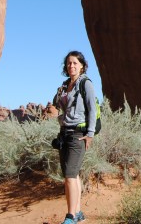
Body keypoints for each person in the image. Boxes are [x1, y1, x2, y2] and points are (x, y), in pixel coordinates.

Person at [53, 50, 98, 224]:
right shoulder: (65, 85)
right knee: (72, 175)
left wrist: (90, 134)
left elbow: (92, 109)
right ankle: (78, 213)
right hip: (65, 134)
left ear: (82, 66)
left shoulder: (85, 83)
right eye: (69, 63)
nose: (71, 66)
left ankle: (70, 216)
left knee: (70, 176)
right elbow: (58, 106)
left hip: (78, 135)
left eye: (75, 63)